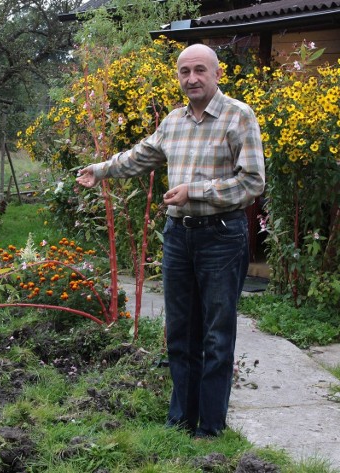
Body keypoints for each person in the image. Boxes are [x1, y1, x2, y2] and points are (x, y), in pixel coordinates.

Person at [76, 43, 265, 438]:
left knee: (216, 335)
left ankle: (209, 427)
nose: (191, 78)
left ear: (216, 74)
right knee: (180, 333)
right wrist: (100, 169)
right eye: (184, 71)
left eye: (199, 70)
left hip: (221, 237)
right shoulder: (174, 121)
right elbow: (140, 156)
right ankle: (180, 420)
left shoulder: (238, 116)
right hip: (179, 236)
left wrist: (195, 192)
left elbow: (252, 182)